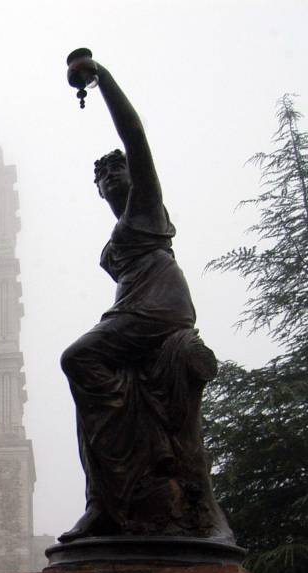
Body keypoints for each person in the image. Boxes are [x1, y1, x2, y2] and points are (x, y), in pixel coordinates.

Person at [58, 53, 231, 544]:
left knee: (79, 358)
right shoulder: (116, 234)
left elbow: (134, 135)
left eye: (118, 171)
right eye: (103, 177)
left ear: (134, 177)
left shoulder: (147, 208)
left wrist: (101, 78)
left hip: (159, 310)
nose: (111, 178)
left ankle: (107, 501)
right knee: (98, 389)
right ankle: (109, 497)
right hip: (133, 312)